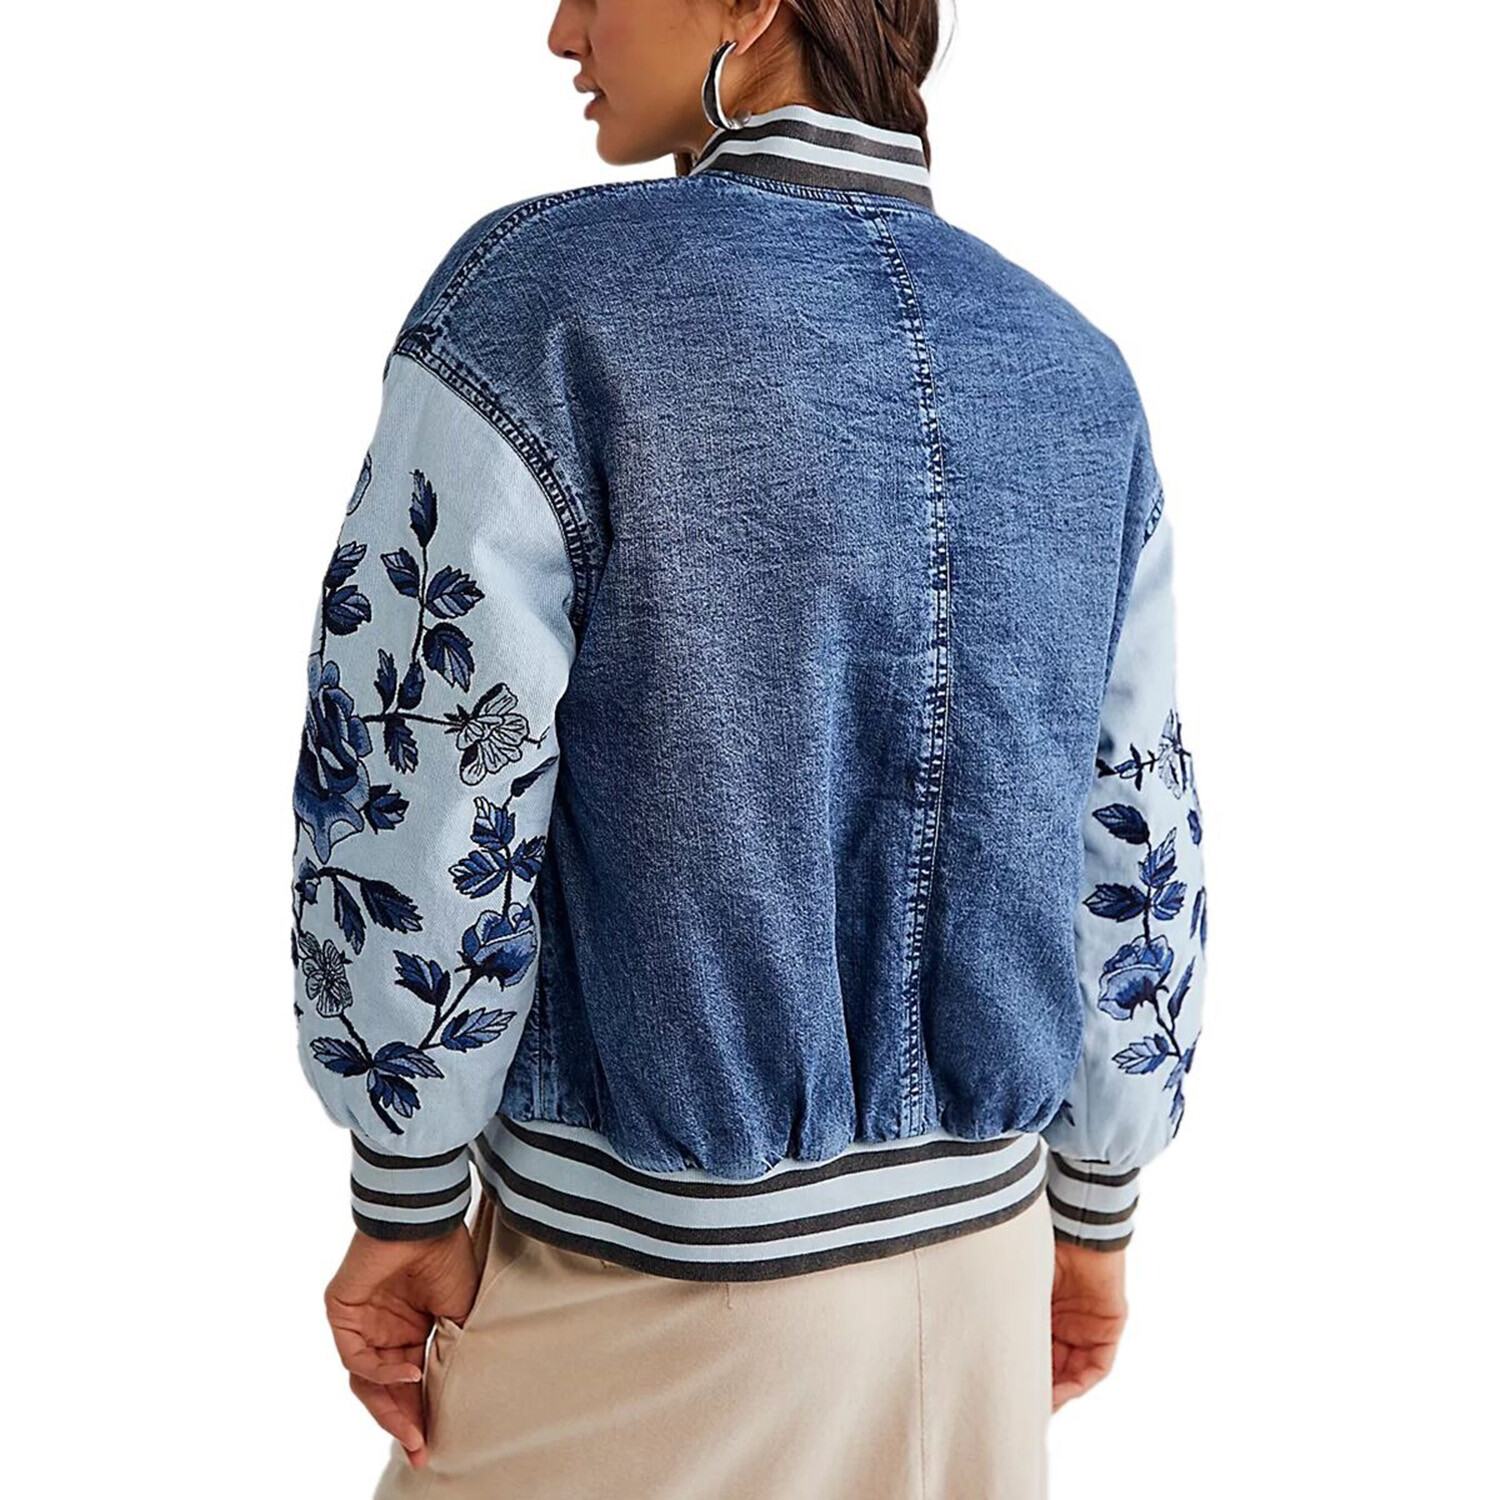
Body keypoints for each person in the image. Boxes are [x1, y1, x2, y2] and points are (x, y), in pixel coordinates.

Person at [288, 2, 1210, 1495]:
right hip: (985, 1279)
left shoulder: (547, 309)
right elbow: (1135, 831)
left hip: (652, 1302)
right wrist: (1094, 1209)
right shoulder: (1075, 369)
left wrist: (405, 1187)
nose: (563, 29)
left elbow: (426, 777)